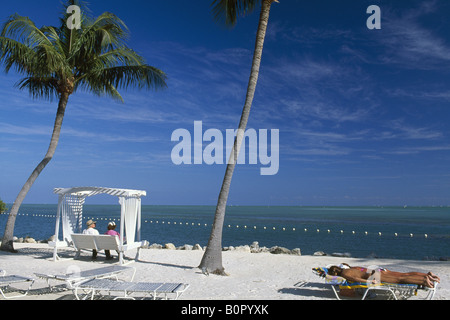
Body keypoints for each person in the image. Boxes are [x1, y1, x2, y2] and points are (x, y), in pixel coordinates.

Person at [328, 264, 440, 288]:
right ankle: (427, 275)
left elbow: (356, 279)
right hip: (376, 271)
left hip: (374, 276)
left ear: (334, 273)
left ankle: (424, 280)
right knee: (403, 275)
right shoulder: (350, 268)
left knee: (400, 279)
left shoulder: (345, 274)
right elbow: (363, 269)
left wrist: (369, 282)